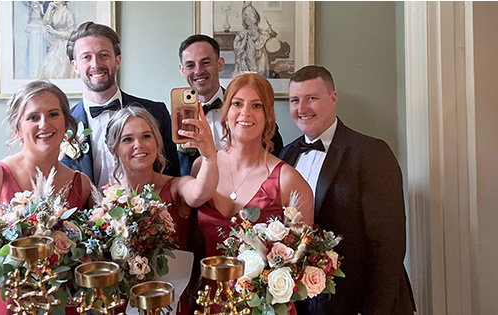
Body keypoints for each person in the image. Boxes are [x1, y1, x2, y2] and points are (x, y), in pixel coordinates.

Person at [0, 80, 94, 315]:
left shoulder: (80, 183)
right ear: (17, 128)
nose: (44, 124)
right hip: (3, 305)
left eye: (53, 114)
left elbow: (89, 249)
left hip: (57, 306)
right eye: (33, 117)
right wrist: (5, 270)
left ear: (66, 124)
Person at [279, 65, 416, 314]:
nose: (302, 109)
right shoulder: (287, 154)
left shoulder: (371, 153)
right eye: (295, 100)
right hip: (305, 303)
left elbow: (389, 245)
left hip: (360, 301)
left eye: (312, 98)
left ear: (333, 99)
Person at [194, 73, 314, 314]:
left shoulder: (288, 180)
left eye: (256, 105)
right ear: (226, 111)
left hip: (264, 307)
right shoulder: (202, 167)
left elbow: (301, 259)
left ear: (268, 115)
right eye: (237, 103)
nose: (245, 113)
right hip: (208, 302)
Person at [104, 105, 217, 315]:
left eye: (146, 136)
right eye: (127, 139)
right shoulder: (104, 199)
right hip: (121, 306)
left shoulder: (176, 187)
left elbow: (201, 193)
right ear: (113, 149)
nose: (139, 145)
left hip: (171, 305)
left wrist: (210, 156)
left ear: (157, 142)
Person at [61, 21, 180, 187]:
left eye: (104, 55)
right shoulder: (64, 124)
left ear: (117, 61)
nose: (96, 64)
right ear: (75, 66)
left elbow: (171, 177)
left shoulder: (156, 112)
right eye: (86, 57)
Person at [177, 34, 283, 175]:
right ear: (182, 70)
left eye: (205, 62)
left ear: (220, 64)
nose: (198, 71)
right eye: (190, 65)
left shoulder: (252, 112)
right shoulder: (176, 120)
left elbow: (275, 158)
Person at [37, 1, 77, 79]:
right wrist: (50, 7)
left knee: (61, 66)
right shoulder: (54, 11)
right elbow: (46, 21)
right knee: (48, 65)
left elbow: (71, 34)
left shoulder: (68, 13)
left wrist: (54, 32)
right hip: (56, 42)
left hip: (64, 44)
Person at [232, 1, 270, 77]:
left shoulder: (262, 33)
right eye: (245, 15)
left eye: (250, 14)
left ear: (256, 16)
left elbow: (258, 46)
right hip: (245, 63)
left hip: (258, 60)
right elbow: (237, 48)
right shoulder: (242, 34)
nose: (248, 17)